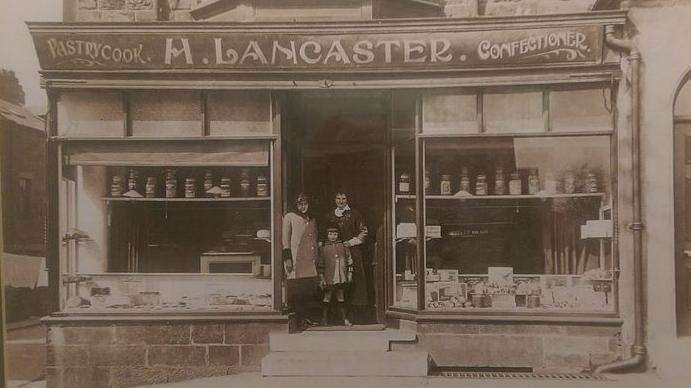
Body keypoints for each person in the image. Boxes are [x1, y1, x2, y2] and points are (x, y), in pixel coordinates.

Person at [324, 191, 369, 323]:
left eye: (343, 198)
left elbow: (364, 232)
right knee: (334, 283)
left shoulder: (355, 214)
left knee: (352, 283)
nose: (341, 201)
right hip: (333, 254)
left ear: (347, 200)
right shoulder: (329, 216)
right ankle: (335, 317)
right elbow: (323, 235)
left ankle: (353, 316)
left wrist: (351, 242)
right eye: (338, 198)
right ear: (334, 199)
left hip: (352, 253)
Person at [282, 193, 319, 331]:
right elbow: (285, 240)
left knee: (306, 290)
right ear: (296, 205)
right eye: (300, 204)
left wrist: (316, 256)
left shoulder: (311, 218)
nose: (303, 207)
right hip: (296, 258)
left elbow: (315, 238)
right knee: (296, 290)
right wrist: (287, 258)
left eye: (305, 204)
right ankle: (297, 320)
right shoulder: (290, 217)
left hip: (309, 259)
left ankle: (305, 318)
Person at [317, 224, 353, 327]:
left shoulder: (343, 246)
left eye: (335, 234)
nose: (333, 236)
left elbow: (349, 260)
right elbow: (320, 265)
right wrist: (322, 278)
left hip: (341, 277)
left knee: (341, 297)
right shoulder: (323, 249)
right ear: (327, 235)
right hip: (329, 278)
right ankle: (324, 319)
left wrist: (350, 274)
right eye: (330, 234)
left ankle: (345, 319)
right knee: (327, 296)